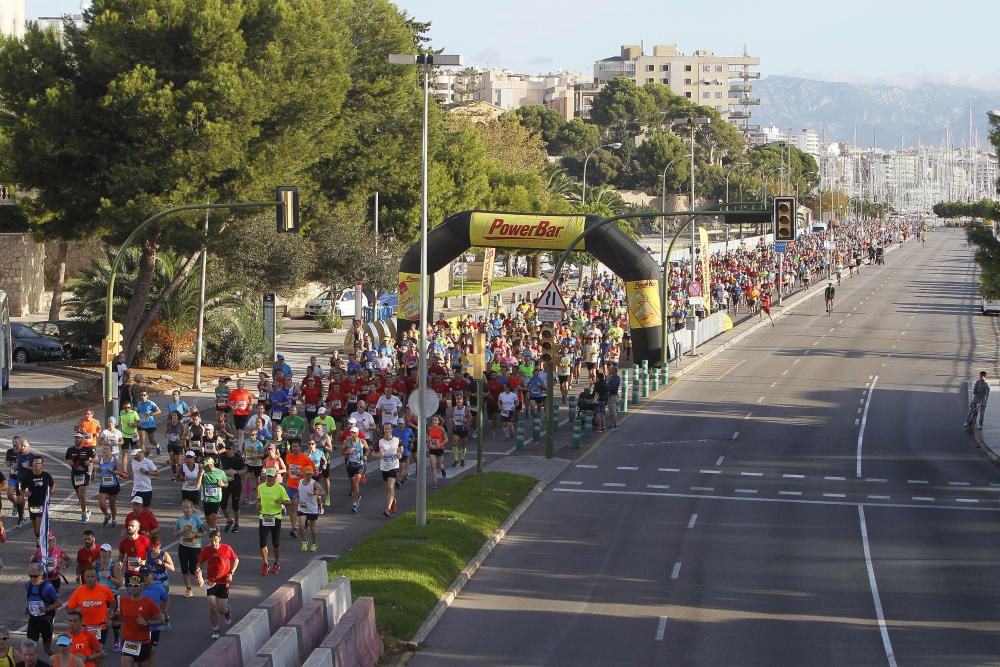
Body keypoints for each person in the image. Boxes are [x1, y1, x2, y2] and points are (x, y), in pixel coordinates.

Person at [115, 569, 163, 667]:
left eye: (136, 585)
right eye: (131, 585)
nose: (133, 588)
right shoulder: (124, 601)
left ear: (141, 586)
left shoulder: (149, 603)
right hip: (128, 642)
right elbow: (123, 618)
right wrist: (113, 617)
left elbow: (161, 620)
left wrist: (148, 623)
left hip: (143, 643)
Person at [66, 567, 115, 651]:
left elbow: (112, 602)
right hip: (85, 626)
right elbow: (69, 609)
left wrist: (110, 616)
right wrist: (78, 612)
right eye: (87, 577)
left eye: (92, 576)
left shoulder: (105, 590)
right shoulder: (79, 591)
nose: (90, 579)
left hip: (101, 625)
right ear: (84, 578)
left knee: (98, 650)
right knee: (87, 650)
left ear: (97, 577)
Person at [255, 468, 290, 576]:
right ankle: (265, 564)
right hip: (264, 517)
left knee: (275, 543)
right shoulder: (261, 487)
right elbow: (259, 500)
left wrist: (282, 502)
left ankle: (276, 563)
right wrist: (258, 505)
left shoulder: (280, 488)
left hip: (276, 517)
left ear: (275, 477)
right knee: (262, 543)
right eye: (267, 476)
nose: (269, 478)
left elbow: (288, 502)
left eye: (271, 476)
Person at [25, 562, 61, 655]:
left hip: (45, 621)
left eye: (35, 576)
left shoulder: (48, 587)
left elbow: (58, 603)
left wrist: (47, 608)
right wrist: (27, 608)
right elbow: (31, 599)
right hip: (33, 620)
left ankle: (57, 662)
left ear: (41, 575)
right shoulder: (28, 585)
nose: (32, 578)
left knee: (47, 650)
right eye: (31, 576)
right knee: (30, 649)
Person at [283, 441, 313, 540]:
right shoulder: (288, 457)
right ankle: (294, 528)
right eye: (293, 447)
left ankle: (306, 520)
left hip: (302, 487)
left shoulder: (305, 458)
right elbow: (288, 468)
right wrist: (287, 475)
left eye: (296, 447)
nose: (294, 448)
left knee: (303, 507)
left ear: (300, 448)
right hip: (291, 486)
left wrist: (304, 474)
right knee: (293, 506)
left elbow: (312, 469)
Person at [20, 456, 55, 539]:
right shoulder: (28, 476)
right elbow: (21, 489)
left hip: (43, 502)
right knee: (35, 526)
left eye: (39, 463)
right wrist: (25, 494)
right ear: (32, 464)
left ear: (42, 465)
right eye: (35, 462)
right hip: (33, 503)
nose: (36, 464)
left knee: (39, 525)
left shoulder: (46, 475)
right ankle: (39, 541)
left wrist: (50, 492)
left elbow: (53, 485)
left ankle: (42, 541)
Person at [65, 434, 96, 524]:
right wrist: (68, 462)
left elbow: (96, 458)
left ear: (82, 439)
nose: (77, 440)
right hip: (75, 474)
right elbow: (66, 458)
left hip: (84, 473)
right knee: (79, 496)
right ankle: (86, 510)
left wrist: (89, 461)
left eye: (79, 438)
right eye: (75, 438)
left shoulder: (88, 449)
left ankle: (83, 515)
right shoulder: (70, 450)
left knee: (82, 495)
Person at [373, 423, 400, 518]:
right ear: (383, 430)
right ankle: (393, 501)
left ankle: (387, 509)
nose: (387, 431)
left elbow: (400, 447)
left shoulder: (396, 439)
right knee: (388, 488)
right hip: (384, 467)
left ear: (391, 429)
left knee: (390, 486)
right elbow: (373, 453)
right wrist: (378, 455)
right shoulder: (380, 441)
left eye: (389, 429)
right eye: (385, 429)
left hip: (394, 466)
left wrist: (399, 453)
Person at [96, 444, 126, 527]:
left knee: (112, 505)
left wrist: (112, 471)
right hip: (103, 486)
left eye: (107, 449)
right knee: (101, 504)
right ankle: (107, 515)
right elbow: (99, 470)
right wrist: (98, 470)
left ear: (111, 451)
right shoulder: (101, 460)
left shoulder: (114, 459)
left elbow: (121, 473)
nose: (105, 450)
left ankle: (114, 519)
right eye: (104, 449)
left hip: (113, 486)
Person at [218, 442, 245, 533]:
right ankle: (229, 520)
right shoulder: (222, 456)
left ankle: (236, 524)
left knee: (235, 505)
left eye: (230, 449)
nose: (228, 451)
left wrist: (235, 472)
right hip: (225, 484)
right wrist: (221, 471)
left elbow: (245, 470)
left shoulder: (238, 458)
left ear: (234, 449)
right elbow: (220, 466)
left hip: (236, 484)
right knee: (223, 504)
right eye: (227, 449)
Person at [296, 466, 323, 552]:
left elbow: (323, 492)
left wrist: (315, 492)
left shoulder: (314, 483)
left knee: (312, 527)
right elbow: (299, 492)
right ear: (304, 474)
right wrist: (295, 498)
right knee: (301, 526)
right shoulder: (299, 482)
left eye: (310, 474)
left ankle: (314, 542)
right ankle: (304, 541)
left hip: (312, 509)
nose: (309, 476)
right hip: (302, 507)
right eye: (307, 474)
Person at [342, 427, 369, 513]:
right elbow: (342, 452)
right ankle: (357, 496)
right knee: (353, 484)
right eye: (351, 432)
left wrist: (365, 455)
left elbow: (368, 449)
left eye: (354, 433)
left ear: (357, 433)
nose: (352, 434)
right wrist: (347, 451)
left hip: (359, 465)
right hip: (350, 465)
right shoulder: (347, 441)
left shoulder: (362, 441)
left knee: (355, 482)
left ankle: (355, 503)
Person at [198, 457, 227, 531]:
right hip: (206, 499)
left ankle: (213, 533)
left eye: (210, 464)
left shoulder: (220, 472)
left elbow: (226, 483)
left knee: (213, 518)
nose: (209, 466)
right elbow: (197, 485)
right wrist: (201, 474)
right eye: (207, 465)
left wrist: (222, 484)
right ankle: (215, 528)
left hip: (216, 499)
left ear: (213, 463)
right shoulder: (203, 472)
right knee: (208, 520)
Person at [227, 378, 255, 445]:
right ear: (237, 385)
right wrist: (231, 406)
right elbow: (228, 401)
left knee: (241, 431)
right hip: (236, 414)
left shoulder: (247, 392)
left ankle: (240, 446)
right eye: (238, 384)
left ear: (243, 385)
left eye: (241, 384)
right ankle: (240, 442)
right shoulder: (233, 392)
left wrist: (250, 405)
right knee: (238, 429)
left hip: (244, 414)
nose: (240, 385)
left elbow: (251, 399)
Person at [134, 391, 161, 456]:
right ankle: (144, 456)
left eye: (144, 395)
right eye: (141, 395)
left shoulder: (151, 403)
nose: (143, 396)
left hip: (150, 424)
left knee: (151, 441)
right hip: (142, 424)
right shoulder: (138, 404)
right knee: (142, 441)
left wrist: (150, 414)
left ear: (147, 396)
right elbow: (136, 412)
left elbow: (159, 411)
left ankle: (157, 445)